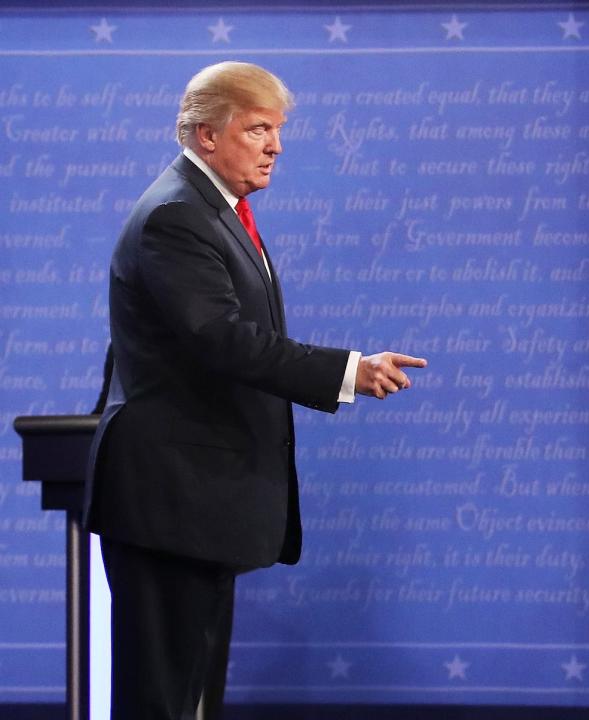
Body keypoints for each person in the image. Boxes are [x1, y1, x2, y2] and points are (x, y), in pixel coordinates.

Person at [82, 61, 427, 720]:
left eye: (277, 129)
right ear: (207, 135)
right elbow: (223, 340)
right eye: (258, 128)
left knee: (191, 696)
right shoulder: (177, 216)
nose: (276, 145)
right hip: (169, 499)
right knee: (161, 700)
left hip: (194, 501)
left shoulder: (213, 208)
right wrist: (347, 370)